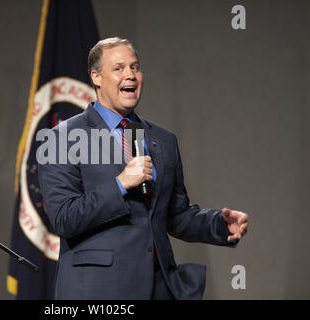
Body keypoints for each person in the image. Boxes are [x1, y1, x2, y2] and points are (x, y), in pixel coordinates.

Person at [37, 37, 248, 300]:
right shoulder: (61, 138)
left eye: (135, 67)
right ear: (96, 77)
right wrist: (120, 184)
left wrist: (219, 225)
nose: (131, 75)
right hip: (98, 291)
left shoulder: (163, 140)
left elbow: (176, 215)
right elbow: (64, 218)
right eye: (119, 68)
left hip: (159, 287)